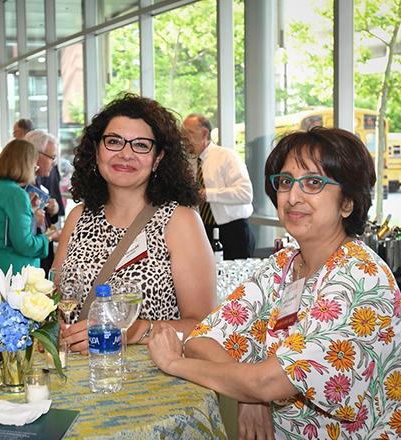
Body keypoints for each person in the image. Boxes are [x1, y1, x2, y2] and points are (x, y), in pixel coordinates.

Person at [149, 127, 401, 439]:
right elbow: (203, 339)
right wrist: (250, 393)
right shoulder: (284, 266)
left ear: (347, 203)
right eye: (285, 181)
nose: (293, 197)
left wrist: (174, 363)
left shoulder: (359, 276)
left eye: (313, 183)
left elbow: (270, 382)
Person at [54, 94, 216, 354]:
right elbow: (56, 301)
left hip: (149, 383)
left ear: (159, 158)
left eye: (141, 145)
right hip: (75, 380)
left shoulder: (179, 222)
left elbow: (203, 327)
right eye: (114, 141)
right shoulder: (77, 218)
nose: (125, 154)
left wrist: (135, 330)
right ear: (97, 151)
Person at [0, 139, 56, 278]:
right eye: (34, 167)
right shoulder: (16, 194)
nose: (34, 172)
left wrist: (31, 217)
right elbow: (25, 245)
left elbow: (2, 230)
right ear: (25, 166)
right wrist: (49, 237)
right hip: (12, 276)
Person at [183, 113, 255, 259]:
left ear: (204, 134)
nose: (183, 138)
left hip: (234, 232)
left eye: (188, 133)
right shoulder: (189, 162)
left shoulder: (227, 156)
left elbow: (245, 194)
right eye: (182, 133)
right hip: (203, 231)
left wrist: (207, 194)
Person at [24, 129, 65, 272]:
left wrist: (54, 209)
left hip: (42, 251)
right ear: (36, 155)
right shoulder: (19, 185)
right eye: (52, 157)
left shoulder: (41, 178)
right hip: (28, 258)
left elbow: (49, 215)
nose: (54, 163)